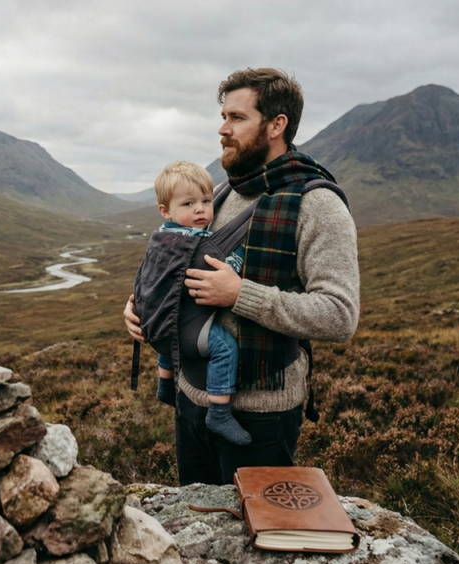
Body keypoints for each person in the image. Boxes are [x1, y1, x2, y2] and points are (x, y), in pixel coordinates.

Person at [123, 68, 360, 486]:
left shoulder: (318, 204)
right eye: (223, 116)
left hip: (261, 417)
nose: (222, 129)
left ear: (276, 125)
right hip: (190, 400)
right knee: (195, 518)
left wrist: (239, 295)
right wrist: (142, 306)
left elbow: (340, 315)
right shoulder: (222, 193)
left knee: (258, 524)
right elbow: (178, 261)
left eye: (236, 118)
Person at [147, 160, 252, 446]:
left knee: (168, 336)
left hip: (162, 318)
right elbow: (215, 268)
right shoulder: (193, 241)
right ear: (165, 210)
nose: (200, 209)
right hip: (188, 323)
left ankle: (165, 383)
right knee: (224, 347)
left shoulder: (161, 236)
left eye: (206, 201)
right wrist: (238, 255)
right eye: (189, 203)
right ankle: (219, 411)